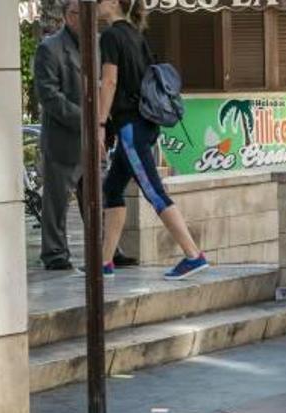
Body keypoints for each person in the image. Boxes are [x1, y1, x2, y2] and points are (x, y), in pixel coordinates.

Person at [96, 0, 208, 280]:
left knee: (154, 192)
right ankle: (105, 261)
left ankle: (193, 255)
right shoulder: (136, 34)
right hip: (145, 123)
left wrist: (99, 123)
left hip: (130, 128)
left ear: (111, 3)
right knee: (112, 188)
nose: (95, 6)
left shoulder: (111, 36)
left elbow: (109, 81)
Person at [34, 0, 136, 271]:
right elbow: (49, 96)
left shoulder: (102, 44)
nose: (91, 20)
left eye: (92, 14)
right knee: (56, 203)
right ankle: (55, 255)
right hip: (64, 140)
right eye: (84, 14)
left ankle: (108, 251)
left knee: (99, 198)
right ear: (69, 16)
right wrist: (89, 118)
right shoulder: (49, 48)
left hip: (97, 140)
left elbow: (109, 84)